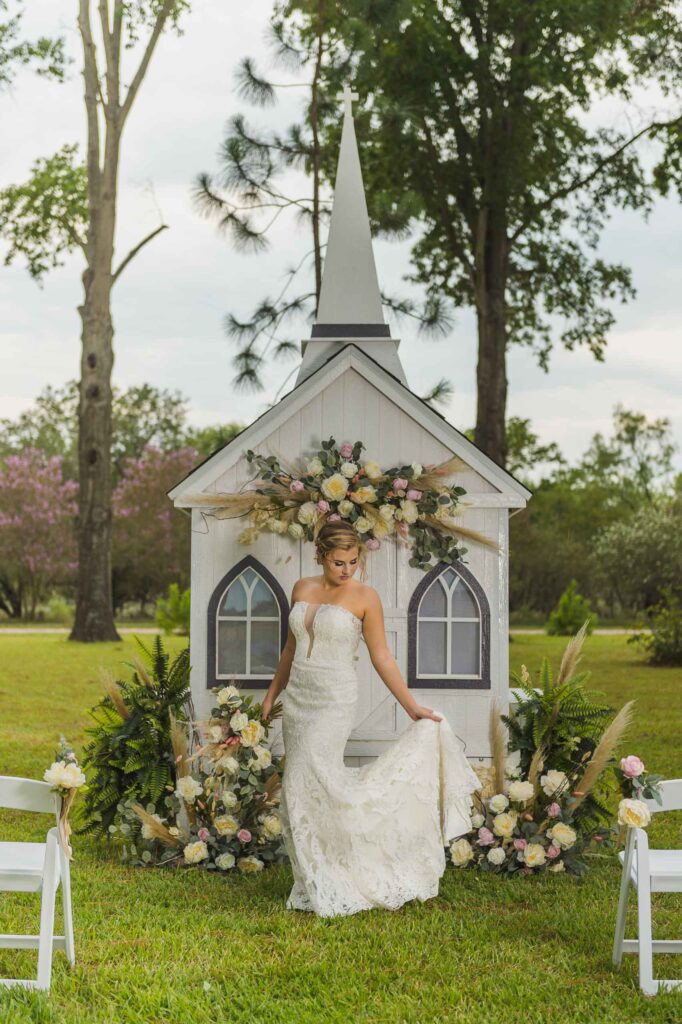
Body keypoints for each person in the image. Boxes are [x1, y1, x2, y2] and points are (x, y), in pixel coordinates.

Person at [260, 520, 480, 917]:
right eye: (338, 562)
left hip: (334, 699)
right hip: (299, 701)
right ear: (320, 556)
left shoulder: (365, 597)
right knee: (303, 787)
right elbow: (290, 648)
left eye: (353, 562)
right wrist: (272, 694)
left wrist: (411, 706)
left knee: (308, 780)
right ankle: (314, 875)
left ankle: (341, 874)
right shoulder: (302, 589)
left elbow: (381, 657)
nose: (347, 570)